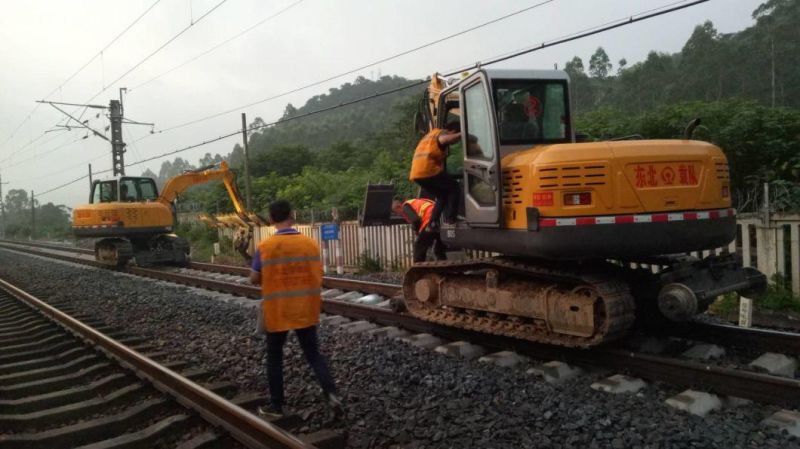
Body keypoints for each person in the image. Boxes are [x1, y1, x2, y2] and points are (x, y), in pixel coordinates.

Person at [249, 199, 343, 419]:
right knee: (313, 355)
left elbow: (254, 279)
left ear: (271, 219)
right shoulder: (310, 244)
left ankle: (277, 405)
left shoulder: (265, 247)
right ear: (292, 215)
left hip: (278, 311)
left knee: (274, 356)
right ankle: (331, 394)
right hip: (305, 310)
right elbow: (318, 274)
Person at [409, 122, 461, 227]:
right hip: (428, 170)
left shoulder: (431, 135)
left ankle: (433, 222)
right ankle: (451, 220)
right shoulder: (442, 134)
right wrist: (463, 133)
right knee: (455, 187)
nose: (456, 141)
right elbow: (445, 139)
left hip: (417, 174)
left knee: (442, 195)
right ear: (453, 131)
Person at [392, 196, 447, 263]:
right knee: (439, 250)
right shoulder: (415, 202)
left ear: (398, 206)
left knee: (419, 246)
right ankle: (445, 269)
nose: (398, 214)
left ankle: (418, 270)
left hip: (430, 220)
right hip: (441, 221)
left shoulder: (405, 206)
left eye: (396, 212)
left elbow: (415, 220)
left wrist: (416, 230)